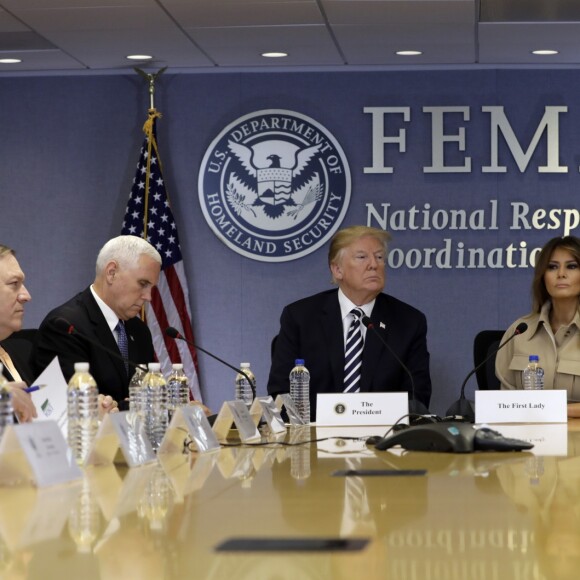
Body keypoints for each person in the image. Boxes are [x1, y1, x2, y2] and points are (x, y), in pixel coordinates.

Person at [267, 225, 431, 419]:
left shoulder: (408, 322)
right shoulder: (301, 317)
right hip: (313, 439)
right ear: (337, 270)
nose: (374, 264)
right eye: (362, 257)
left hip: (382, 439)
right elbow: (280, 391)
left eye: (379, 257)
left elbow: (417, 397)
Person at [33, 235, 162, 406]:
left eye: (151, 288)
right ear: (111, 272)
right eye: (142, 284)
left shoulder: (139, 331)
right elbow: (79, 406)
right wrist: (136, 405)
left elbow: (151, 395)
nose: (148, 297)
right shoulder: (66, 326)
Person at [0, 244, 118, 422]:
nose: (26, 296)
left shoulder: (20, 352)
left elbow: (42, 424)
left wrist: (87, 415)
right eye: (14, 284)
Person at [495, 235, 580, 417]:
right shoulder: (519, 331)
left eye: (572, 266)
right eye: (552, 267)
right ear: (543, 277)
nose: (561, 274)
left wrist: (556, 411)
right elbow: (504, 403)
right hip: (527, 438)